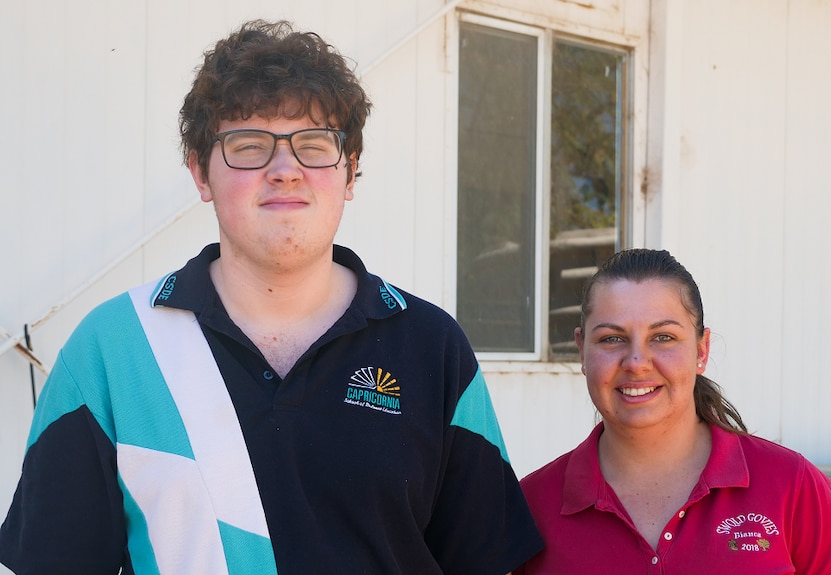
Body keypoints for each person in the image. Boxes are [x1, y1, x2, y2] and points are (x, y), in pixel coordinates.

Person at [0, 20, 543, 574]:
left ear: (350, 171)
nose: (285, 171)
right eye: (249, 146)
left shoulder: (433, 347)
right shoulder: (112, 349)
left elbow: (483, 562)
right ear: (199, 172)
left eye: (313, 145)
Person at [515, 248, 831, 574]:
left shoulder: (793, 486)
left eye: (663, 337)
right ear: (581, 351)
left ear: (702, 349)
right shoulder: (530, 506)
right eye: (611, 338)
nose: (636, 362)